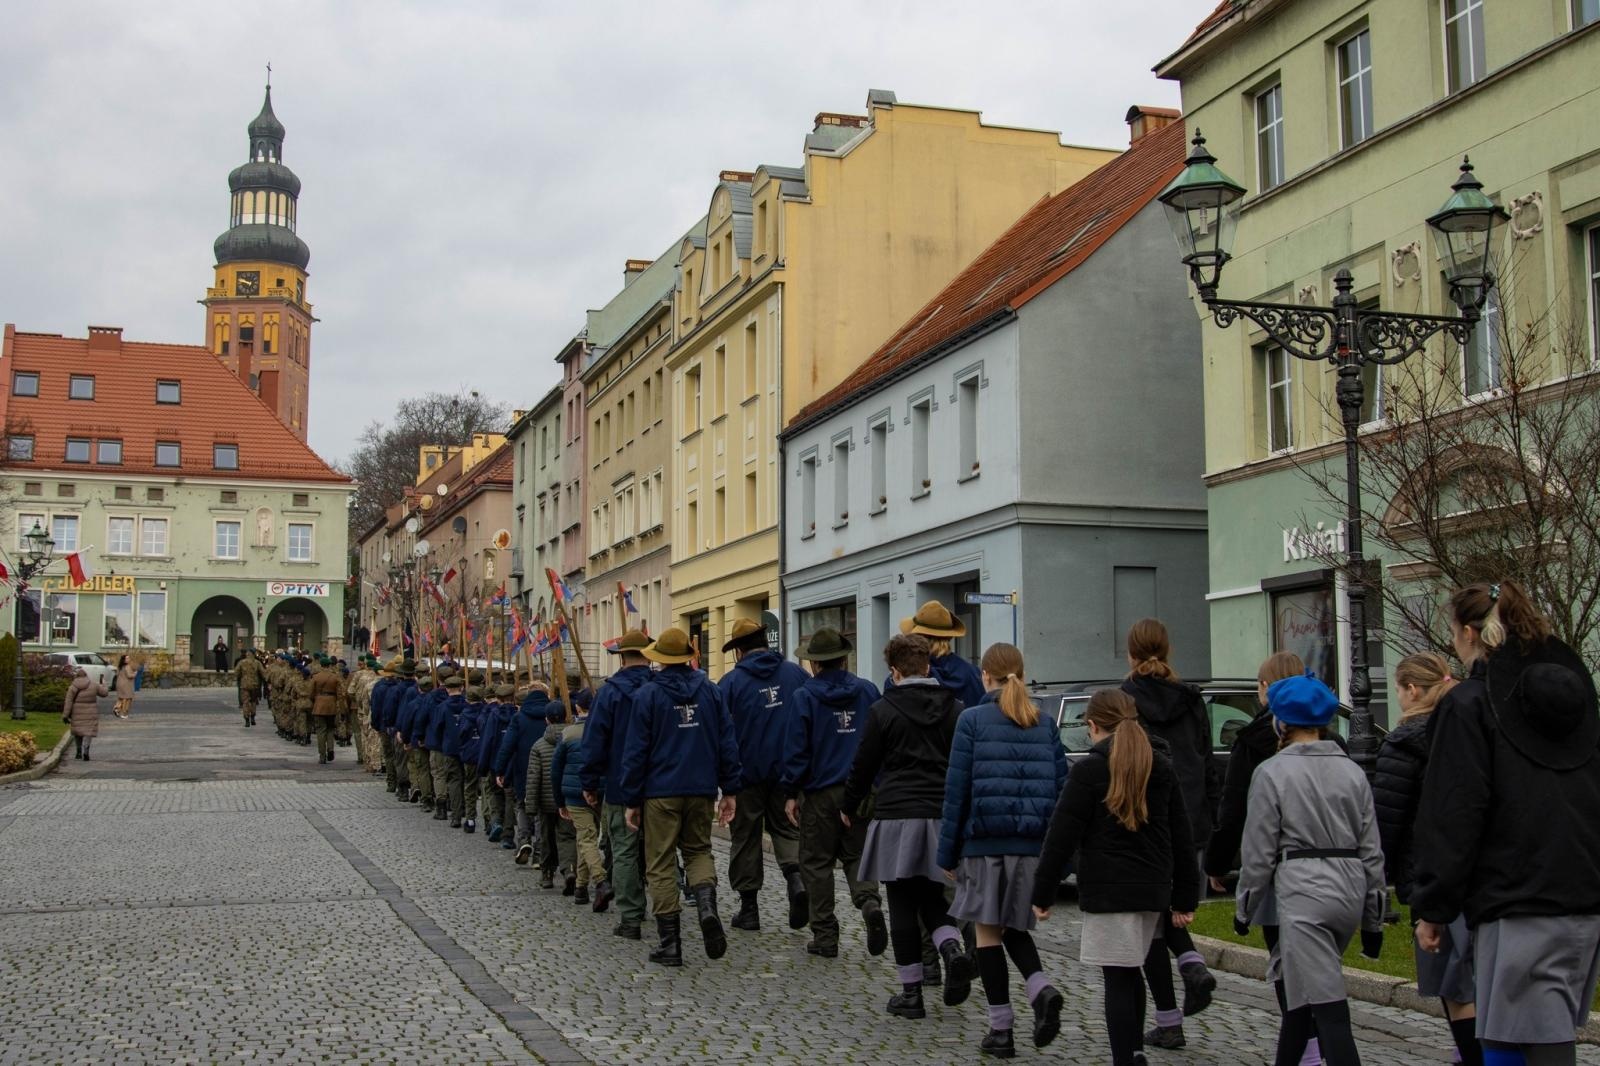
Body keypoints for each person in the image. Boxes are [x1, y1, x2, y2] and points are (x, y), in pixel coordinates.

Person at [1413, 581, 1600, 1066]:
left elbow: (1455, 810)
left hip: (1515, 895)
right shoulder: (1573, 704)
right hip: (1581, 890)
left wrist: (1434, 905)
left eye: (1453, 633)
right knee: (1512, 1029)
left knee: (1532, 1035)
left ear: (1470, 634)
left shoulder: (1471, 704)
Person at [1032, 689, 1199, 1066]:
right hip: (1152, 887)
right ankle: (1135, 1051)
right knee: (1134, 970)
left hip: (1109, 889)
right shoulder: (1160, 766)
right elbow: (1181, 836)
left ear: (1092, 725)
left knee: (1119, 977)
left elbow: (1061, 835)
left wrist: (1042, 892)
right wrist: (1185, 896)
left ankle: (1127, 1056)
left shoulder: (1090, 770)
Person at [1237, 673, 1386, 1066]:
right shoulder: (1352, 771)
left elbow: (1258, 852)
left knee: (1330, 1009)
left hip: (1304, 892)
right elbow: (1371, 849)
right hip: (1349, 887)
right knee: (1300, 997)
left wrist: (1244, 909)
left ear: (1281, 722)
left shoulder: (1272, 772)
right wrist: (1373, 917)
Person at [937, 643, 1068, 1058]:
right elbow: (1061, 791)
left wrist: (947, 853)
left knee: (988, 933)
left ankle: (1001, 1029)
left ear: (985, 676)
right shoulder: (1043, 723)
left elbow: (957, 791)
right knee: (1015, 928)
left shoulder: (971, 721)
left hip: (984, 843)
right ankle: (1040, 987)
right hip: (1030, 847)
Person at [1206, 651, 1325, 1066]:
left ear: (1266, 692)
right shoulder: (1330, 741)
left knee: (1284, 963)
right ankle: (1314, 1044)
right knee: (1322, 969)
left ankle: (1305, 1049)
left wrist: (1217, 863)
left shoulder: (1252, 743)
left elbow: (1235, 810)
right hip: (1332, 869)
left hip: (1282, 868)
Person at [844, 633, 973, 1018]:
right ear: (928, 667)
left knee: (901, 902)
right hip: (939, 814)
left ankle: (911, 994)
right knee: (933, 897)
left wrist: (849, 805)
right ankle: (951, 949)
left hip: (897, 814)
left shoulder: (883, 710)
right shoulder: (956, 709)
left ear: (895, 671)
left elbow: (864, 765)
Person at [1373, 651, 1479, 1066]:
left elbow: (1388, 819)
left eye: (1399, 690)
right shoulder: (1469, 732)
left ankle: (1473, 1054)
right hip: (1480, 870)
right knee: (1477, 974)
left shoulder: (1403, 743)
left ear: (1412, 690)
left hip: (1430, 871)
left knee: (1451, 982)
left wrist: (1377, 877)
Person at [1119, 618, 1219, 1046]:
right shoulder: (1192, 699)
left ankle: (1168, 1019)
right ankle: (1192, 966)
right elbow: (1205, 757)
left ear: (1132, 653)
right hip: (1189, 812)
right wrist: (1207, 816)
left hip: (1144, 817)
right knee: (1167, 911)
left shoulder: (1127, 698)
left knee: (1150, 924)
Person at [618, 627, 743, 967]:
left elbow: (635, 752)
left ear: (659, 660)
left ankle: (670, 944)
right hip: (701, 789)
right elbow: (727, 742)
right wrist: (729, 789)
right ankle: (706, 907)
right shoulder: (711, 692)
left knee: (659, 864)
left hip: (660, 792)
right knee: (699, 851)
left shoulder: (647, 695)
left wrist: (631, 799)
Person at [780, 627, 886, 959]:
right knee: (858, 856)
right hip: (861, 790)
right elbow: (881, 740)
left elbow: (797, 750)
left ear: (814, 664)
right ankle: (869, 904)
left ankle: (825, 935)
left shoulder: (805, 697)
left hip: (820, 792)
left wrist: (790, 792)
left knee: (815, 863)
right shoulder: (868, 691)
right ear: (843, 659)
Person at [719, 617, 811, 933]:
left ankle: (749, 910)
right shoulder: (796, 674)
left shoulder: (730, 684)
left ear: (739, 652)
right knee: (788, 831)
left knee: (745, 839)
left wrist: (725, 780)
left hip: (746, 776)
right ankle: (797, 881)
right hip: (789, 772)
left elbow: (722, 735)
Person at [582, 630, 655, 939]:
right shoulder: (658, 688)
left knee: (624, 849)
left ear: (622, 657)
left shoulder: (609, 694)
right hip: (659, 782)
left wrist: (589, 781)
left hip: (620, 782)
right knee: (659, 849)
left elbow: (594, 741)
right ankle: (666, 908)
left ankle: (631, 916)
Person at [552, 689, 607, 908]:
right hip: (601, 791)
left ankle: (601, 881)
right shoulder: (606, 731)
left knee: (586, 839)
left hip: (575, 794)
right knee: (587, 839)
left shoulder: (568, 734)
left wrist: (559, 800)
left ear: (577, 708)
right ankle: (581, 888)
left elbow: (556, 770)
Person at [521, 693, 567, 874]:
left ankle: (547, 873)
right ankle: (568, 868)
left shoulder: (539, 745)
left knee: (546, 837)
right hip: (566, 797)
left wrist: (530, 806)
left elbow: (533, 777)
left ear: (546, 720)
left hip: (546, 801)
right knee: (567, 837)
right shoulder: (573, 739)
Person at [63, 667, 108, 761]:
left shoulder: (72, 687)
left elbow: (68, 702)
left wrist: (65, 715)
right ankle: (86, 750)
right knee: (88, 732)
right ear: (86, 676)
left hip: (76, 712)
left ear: (76, 677)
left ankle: (78, 751)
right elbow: (104, 693)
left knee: (78, 732)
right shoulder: (94, 685)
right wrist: (104, 684)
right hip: (91, 712)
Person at [310, 656, 343, 764]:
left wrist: (315, 700)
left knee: (320, 730)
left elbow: (311, 692)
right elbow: (340, 693)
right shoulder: (335, 677)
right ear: (329, 665)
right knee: (330, 729)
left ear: (321, 665)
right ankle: (331, 748)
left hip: (319, 704)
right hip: (331, 704)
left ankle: (322, 755)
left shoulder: (316, 677)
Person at [234, 650, 262, 728]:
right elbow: (263, 673)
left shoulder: (241, 662)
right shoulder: (257, 662)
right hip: (254, 685)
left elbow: (236, 672)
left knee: (245, 702)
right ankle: (252, 717)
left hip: (244, 685)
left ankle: (247, 720)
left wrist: (241, 677)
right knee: (253, 701)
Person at [113, 654, 137, 720]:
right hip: (126, 685)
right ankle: (124, 714)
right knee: (127, 699)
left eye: (129, 658)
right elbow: (129, 675)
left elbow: (117, 674)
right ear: (124, 660)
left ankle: (117, 708)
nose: (129, 659)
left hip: (119, 684)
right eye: (127, 658)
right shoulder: (127, 667)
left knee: (121, 698)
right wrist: (135, 674)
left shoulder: (119, 666)